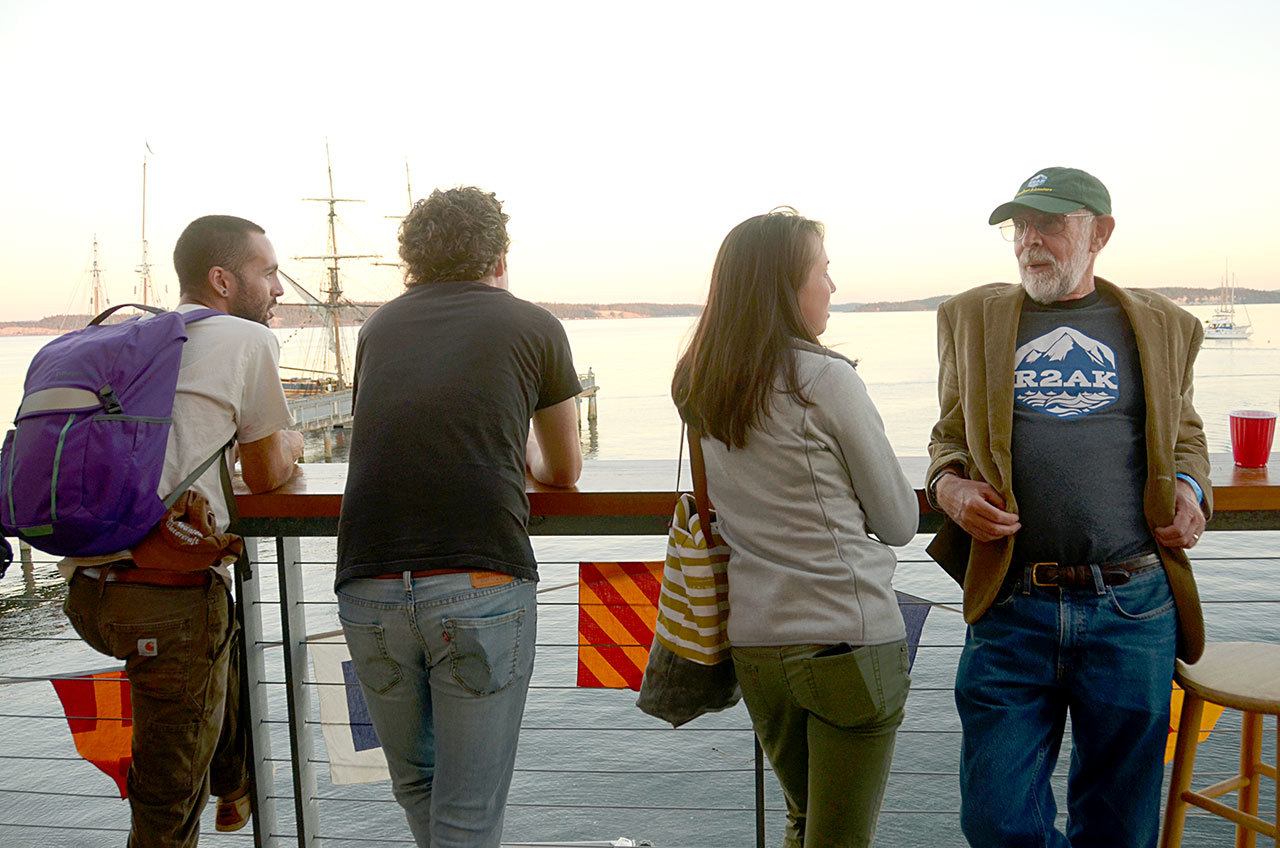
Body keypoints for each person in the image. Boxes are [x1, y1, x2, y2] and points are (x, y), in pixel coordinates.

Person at [925, 167, 1211, 847]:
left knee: (1120, 821)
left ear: (1100, 232)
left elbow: (1189, 437)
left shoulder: (1168, 325)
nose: (1030, 241)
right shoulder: (969, 317)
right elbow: (948, 439)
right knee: (996, 819)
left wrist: (1192, 490)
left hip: (1132, 606)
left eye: (1049, 223)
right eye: (1019, 226)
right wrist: (951, 489)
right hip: (1010, 604)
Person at [335, 186, 582, 848]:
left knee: (417, 783)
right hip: (479, 580)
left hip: (367, 583)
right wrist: (519, 444)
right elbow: (563, 471)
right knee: (468, 810)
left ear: (411, 261)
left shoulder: (376, 328)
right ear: (499, 256)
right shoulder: (534, 326)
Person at [671, 209, 918, 848]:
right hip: (845, 640)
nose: (832, 287)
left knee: (806, 823)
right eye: (823, 271)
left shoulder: (702, 384)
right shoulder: (824, 380)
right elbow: (898, 521)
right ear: (787, 285)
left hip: (758, 646)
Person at [61, 214, 304, 846]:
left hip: (89, 590)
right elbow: (269, 471)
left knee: (220, 641)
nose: (279, 289)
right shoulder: (248, 343)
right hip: (164, 602)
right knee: (166, 808)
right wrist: (297, 443)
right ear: (223, 280)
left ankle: (234, 785)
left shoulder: (140, 338)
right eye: (269, 273)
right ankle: (227, 786)